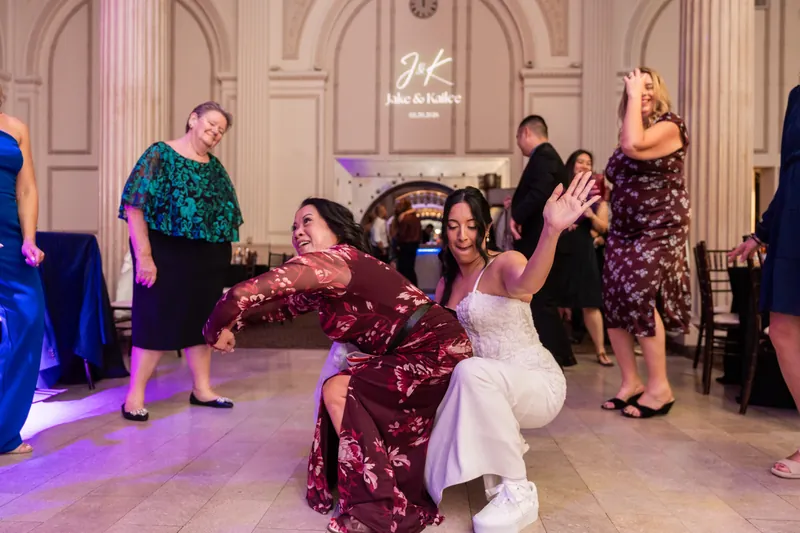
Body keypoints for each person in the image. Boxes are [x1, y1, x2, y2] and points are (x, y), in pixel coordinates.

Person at [203, 198, 471, 533]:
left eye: (307, 221)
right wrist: (234, 327)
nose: (298, 231)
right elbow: (278, 310)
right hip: (416, 350)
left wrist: (213, 329)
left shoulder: (334, 261)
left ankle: (376, 507)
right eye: (294, 227)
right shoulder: (330, 274)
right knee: (340, 385)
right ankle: (372, 489)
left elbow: (244, 293)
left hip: (435, 350)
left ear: (334, 226)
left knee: (338, 388)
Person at [425, 174, 599, 533]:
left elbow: (530, 281)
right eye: (453, 226)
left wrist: (550, 230)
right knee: (452, 384)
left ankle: (518, 490)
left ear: (485, 229)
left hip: (535, 380)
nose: (462, 236)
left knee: (472, 372)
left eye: (471, 226)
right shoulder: (446, 282)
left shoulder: (504, 264)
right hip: (487, 387)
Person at [118, 101, 242, 422]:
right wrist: (144, 255)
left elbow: (226, 214)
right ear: (193, 119)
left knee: (201, 321)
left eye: (221, 130)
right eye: (211, 124)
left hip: (208, 255)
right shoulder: (160, 153)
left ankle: (202, 389)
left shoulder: (214, 167)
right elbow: (134, 205)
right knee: (155, 317)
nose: (215, 133)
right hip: (164, 250)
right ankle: (135, 396)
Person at [601, 67, 690, 418]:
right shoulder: (632, 126)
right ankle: (630, 382)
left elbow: (632, 146)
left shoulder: (671, 124)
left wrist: (635, 93)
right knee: (613, 300)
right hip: (623, 229)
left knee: (638, 295)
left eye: (649, 86)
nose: (644, 92)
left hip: (659, 226)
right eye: (638, 87)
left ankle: (659, 388)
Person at [729, 85, 800, 478]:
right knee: (783, 329)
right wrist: (762, 233)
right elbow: (791, 172)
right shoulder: (796, 95)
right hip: (793, 221)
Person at [0, 88, 46, 455]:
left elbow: (27, 188)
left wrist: (29, 238)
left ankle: (4, 429)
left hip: (12, 240)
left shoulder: (15, 127)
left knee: (29, 319)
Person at [510, 115, 577, 367]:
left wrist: (516, 215)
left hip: (542, 241)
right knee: (540, 298)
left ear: (526, 132)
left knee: (541, 297)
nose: (518, 145)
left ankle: (557, 354)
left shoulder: (545, 155)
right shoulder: (546, 156)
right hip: (541, 239)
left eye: (518, 138)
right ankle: (557, 353)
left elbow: (540, 191)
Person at [562, 150, 611, 366]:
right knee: (556, 302)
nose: (584, 165)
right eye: (580, 161)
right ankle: (558, 349)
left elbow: (604, 228)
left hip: (583, 250)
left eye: (588, 163)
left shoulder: (597, 195)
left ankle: (600, 350)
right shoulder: (561, 189)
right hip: (561, 248)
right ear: (572, 164)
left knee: (590, 302)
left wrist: (589, 215)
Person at [393, 197, 422, 285]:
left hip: (405, 246)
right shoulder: (415, 218)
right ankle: (414, 288)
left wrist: (396, 242)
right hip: (414, 245)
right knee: (410, 268)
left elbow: (401, 234)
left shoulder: (404, 218)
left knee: (404, 270)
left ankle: (406, 288)